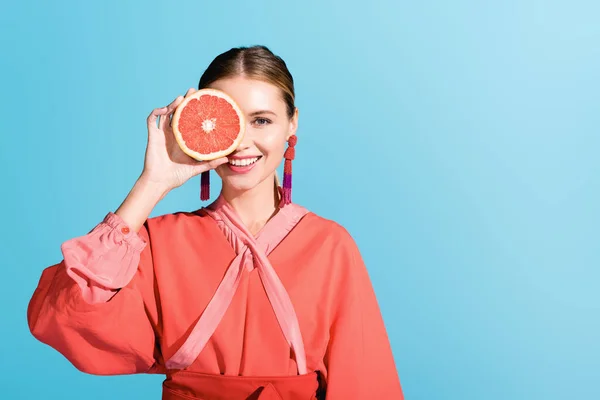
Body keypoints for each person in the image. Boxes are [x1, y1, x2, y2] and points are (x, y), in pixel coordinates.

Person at [27, 45, 404, 400]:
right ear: (198, 125)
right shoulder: (156, 242)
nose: (241, 142)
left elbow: (366, 382)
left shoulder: (331, 245)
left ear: (292, 124)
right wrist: (152, 185)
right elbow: (62, 316)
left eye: (261, 120)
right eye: (227, 122)